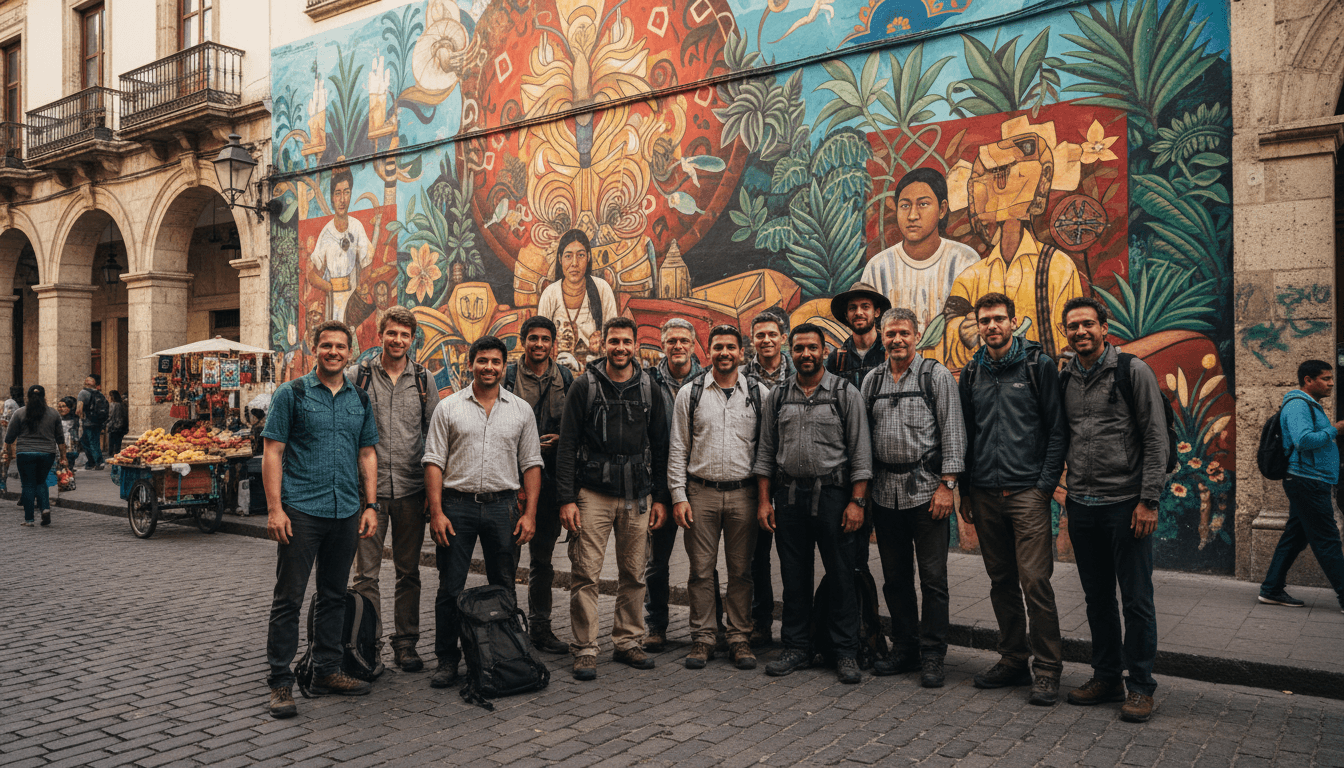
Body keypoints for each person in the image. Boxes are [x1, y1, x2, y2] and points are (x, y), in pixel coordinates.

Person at [261, 320, 380, 719]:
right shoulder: (291, 394)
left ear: (351, 352)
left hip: (345, 510)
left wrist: (371, 505)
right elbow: (273, 452)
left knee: (333, 595)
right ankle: (280, 682)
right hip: (301, 512)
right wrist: (275, 509)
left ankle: (328, 670)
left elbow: (366, 454)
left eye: (340, 346)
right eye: (326, 345)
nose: (333, 352)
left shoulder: (360, 400)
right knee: (289, 599)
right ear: (315, 349)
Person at [1057, 297, 1167, 722]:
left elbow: (1157, 439)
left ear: (1104, 328)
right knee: (1097, 598)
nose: (1080, 332)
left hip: (1127, 505)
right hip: (1083, 506)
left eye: (1087, 324)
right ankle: (1107, 677)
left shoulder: (1131, 371)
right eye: (1073, 327)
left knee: (1136, 601)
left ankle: (1140, 686)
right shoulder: (1065, 376)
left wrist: (1148, 500)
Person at [958, 292, 1067, 705]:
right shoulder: (972, 373)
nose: (991, 326)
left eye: (998, 319)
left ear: (1013, 321)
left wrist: (1043, 487)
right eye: (984, 320)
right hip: (986, 493)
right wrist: (967, 490)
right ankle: (1012, 659)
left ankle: (1048, 669)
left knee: (1035, 582)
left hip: (1027, 494)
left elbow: (1057, 431)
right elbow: (967, 434)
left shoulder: (1038, 366)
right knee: (1000, 581)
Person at [754, 322, 872, 684]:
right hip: (788, 497)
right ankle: (796, 647)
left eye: (812, 348)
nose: (806, 354)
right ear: (792, 350)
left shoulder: (844, 392)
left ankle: (845, 652)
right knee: (794, 577)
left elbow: (861, 453)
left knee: (841, 575)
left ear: (824, 350)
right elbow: (765, 453)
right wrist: (763, 502)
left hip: (835, 497)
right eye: (800, 348)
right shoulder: (779, 395)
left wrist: (857, 502)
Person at [424, 335, 543, 689]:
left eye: (495, 362)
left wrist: (530, 514)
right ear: (470, 364)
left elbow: (532, 465)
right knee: (450, 587)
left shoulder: (521, 410)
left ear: (503, 366)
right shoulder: (448, 408)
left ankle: (504, 653)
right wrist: (436, 512)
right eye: (482, 361)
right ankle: (447, 659)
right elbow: (433, 462)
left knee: (504, 586)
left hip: (504, 508)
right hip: (456, 507)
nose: (489, 367)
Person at [556, 316, 671, 681]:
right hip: (592, 494)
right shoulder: (583, 386)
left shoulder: (649, 388)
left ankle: (627, 642)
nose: (620, 348)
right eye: (613, 341)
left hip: (637, 495)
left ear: (635, 345)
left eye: (626, 341)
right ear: (602, 343)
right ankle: (586, 648)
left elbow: (662, 448)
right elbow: (567, 445)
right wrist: (566, 499)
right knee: (585, 573)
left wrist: (662, 498)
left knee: (634, 574)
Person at [862, 308, 965, 688]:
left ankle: (933, 654)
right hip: (886, 494)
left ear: (916, 335)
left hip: (927, 492)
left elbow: (953, 432)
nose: (896, 340)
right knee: (895, 577)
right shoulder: (872, 381)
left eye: (903, 333)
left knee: (933, 578)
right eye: (890, 334)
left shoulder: (933, 375)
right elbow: (861, 440)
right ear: (881, 337)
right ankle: (904, 647)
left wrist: (947, 486)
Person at [347, 306, 441, 673]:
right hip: (367, 495)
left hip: (411, 490)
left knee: (409, 572)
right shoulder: (360, 377)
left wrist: (436, 496)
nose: (398, 340)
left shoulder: (423, 380)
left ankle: (406, 644)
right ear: (380, 335)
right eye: (392, 333)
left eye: (405, 335)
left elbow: (435, 434)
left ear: (412, 340)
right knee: (366, 575)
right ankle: (369, 645)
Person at [668, 324, 767, 670]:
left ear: (742, 353)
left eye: (731, 347)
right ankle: (704, 638)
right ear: (706, 351)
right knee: (700, 570)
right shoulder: (690, 393)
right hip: (701, 494)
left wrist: (766, 498)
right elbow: (678, 447)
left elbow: (766, 450)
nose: (724, 353)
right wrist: (678, 496)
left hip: (744, 495)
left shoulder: (758, 392)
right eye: (718, 347)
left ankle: (739, 637)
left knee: (741, 570)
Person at [504, 315, 575, 655]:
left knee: (543, 561)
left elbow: (576, 428)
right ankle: (504, 629)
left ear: (553, 344)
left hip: (549, 482)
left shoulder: (566, 378)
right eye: (533, 338)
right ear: (524, 341)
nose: (539, 344)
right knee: (506, 559)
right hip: (511, 480)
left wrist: (559, 437)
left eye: (545, 339)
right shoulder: (505, 376)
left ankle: (540, 628)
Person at [861, 168, 980, 368]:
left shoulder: (964, 260)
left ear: (942, 209)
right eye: (905, 205)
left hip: (953, 373)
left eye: (923, 204)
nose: (912, 215)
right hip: (894, 375)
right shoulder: (879, 267)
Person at [1258, 359, 1344, 616]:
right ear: (1308, 380)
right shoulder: (1298, 405)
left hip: (1311, 480)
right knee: (1328, 539)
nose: (1331, 383)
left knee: (1295, 537)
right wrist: (1334, 430)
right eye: (1325, 378)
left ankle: (1271, 589)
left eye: (1331, 378)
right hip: (1307, 480)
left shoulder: (1309, 405)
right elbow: (1303, 440)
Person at [645, 317, 711, 652]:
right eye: (671, 341)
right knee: (656, 562)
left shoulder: (709, 381)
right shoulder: (648, 382)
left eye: (684, 341)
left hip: (700, 484)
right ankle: (656, 625)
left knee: (705, 562)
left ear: (694, 344)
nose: (678, 347)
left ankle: (709, 628)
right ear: (662, 345)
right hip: (660, 486)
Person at [739, 309, 795, 645]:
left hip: (791, 476)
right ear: (752, 339)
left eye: (772, 334)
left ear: (783, 336)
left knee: (792, 556)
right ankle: (759, 622)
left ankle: (795, 625)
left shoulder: (801, 371)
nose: (766, 340)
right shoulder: (743, 376)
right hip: (753, 477)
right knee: (757, 556)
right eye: (760, 335)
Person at [309, 167, 381, 330]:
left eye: (346, 192)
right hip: (332, 303)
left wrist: (356, 295)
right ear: (332, 198)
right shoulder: (326, 233)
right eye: (338, 193)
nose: (342, 199)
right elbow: (312, 275)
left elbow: (367, 266)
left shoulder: (357, 227)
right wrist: (330, 287)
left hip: (352, 304)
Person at [536, 229, 619, 362]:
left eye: (580, 255)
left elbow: (614, 337)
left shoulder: (602, 289)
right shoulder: (550, 294)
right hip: (558, 374)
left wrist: (601, 344)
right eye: (568, 256)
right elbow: (540, 340)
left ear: (588, 257)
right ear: (560, 259)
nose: (574, 263)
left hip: (595, 371)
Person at [4, 385, 66, 527]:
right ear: (44, 397)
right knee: (41, 480)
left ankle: (29, 519)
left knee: (28, 484)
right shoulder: (53, 414)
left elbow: (10, 436)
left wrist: (5, 450)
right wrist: (64, 457)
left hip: (25, 453)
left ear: (28, 397)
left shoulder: (19, 413)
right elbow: (60, 438)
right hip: (47, 453)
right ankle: (45, 508)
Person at [826, 282, 892, 389]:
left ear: (876, 312)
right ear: (846, 316)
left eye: (865, 307)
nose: (858, 312)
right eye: (852, 308)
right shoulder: (837, 359)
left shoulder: (890, 353)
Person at [76, 374, 106, 470]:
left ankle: (98, 462)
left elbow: (79, 410)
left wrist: (77, 417)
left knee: (91, 442)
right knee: (89, 441)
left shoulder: (83, 393)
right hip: (98, 422)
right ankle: (92, 462)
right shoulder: (100, 394)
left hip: (88, 421)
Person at [57, 397, 79, 469]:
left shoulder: (76, 420)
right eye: (59, 407)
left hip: (71, 445)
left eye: (63, 406)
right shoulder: (58, 419)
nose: (61, 409)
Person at [105, 390, 128, 458]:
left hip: (113, 425)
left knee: (111, 440)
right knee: (118, 441)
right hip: (121, 425)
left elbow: (110, 415)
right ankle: (117, 452)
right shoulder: (122, 405)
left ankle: (111, 453)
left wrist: (106, 423)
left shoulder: (112, 405)